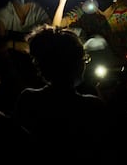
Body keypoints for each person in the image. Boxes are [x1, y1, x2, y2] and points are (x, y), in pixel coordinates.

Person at [12, 25, 116, 159]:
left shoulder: (28, 100)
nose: (85, 63)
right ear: (76, 64)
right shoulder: (92, 106)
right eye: (84, 59)